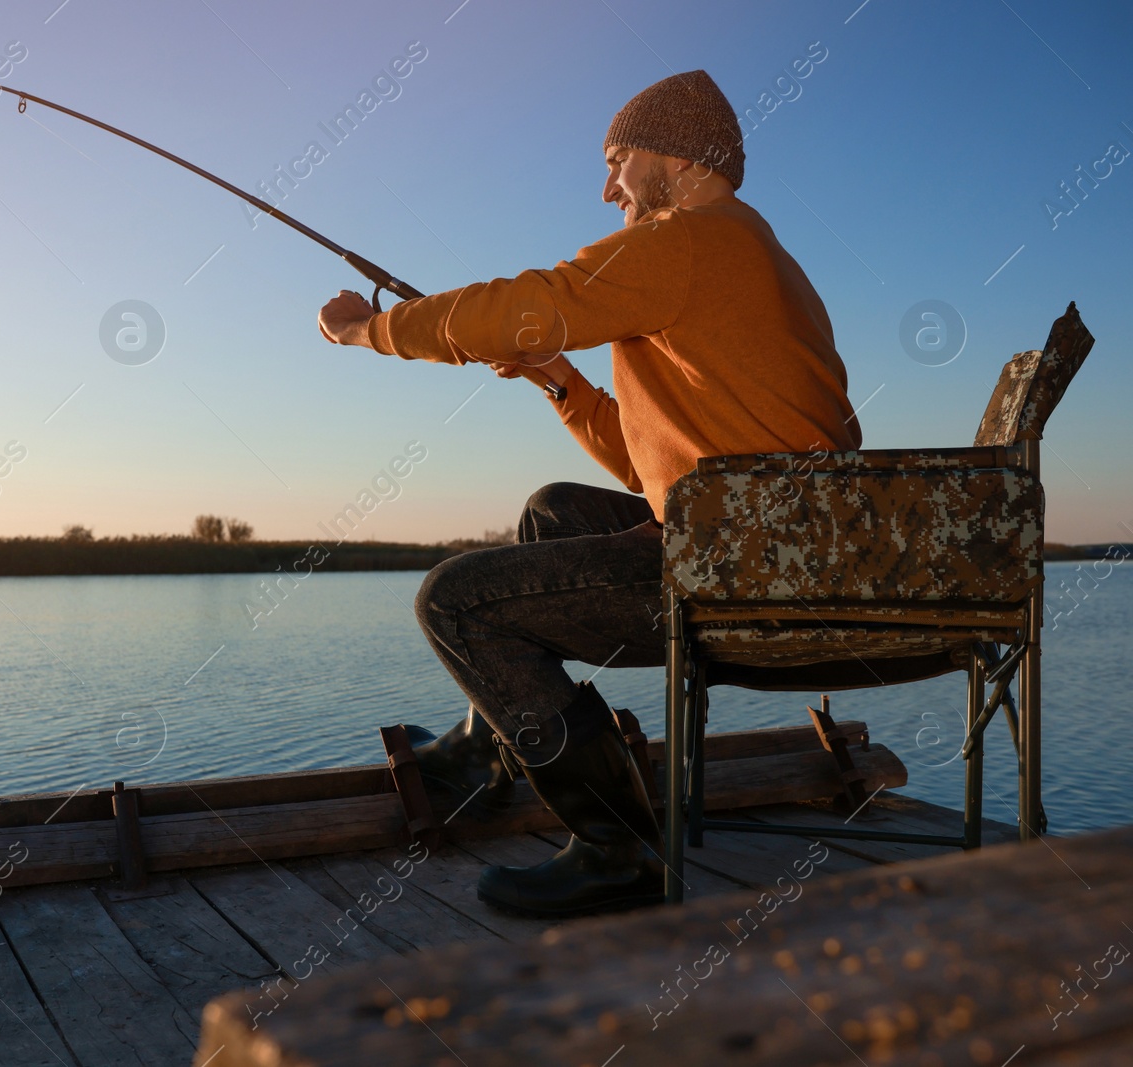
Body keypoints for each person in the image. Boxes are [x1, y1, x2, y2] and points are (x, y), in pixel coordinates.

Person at [318, 69, 862, 917]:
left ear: (676, 157)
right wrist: (559, 379)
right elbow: (661, 465)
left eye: (618, 160)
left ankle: (620, 848)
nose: (608, 187)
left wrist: (369, 329)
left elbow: (533, 301)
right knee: (552, 508)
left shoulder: (687, 240)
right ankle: (494, 751)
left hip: (748, 568)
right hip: (774, 538)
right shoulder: (755, 253)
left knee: (454, 600)